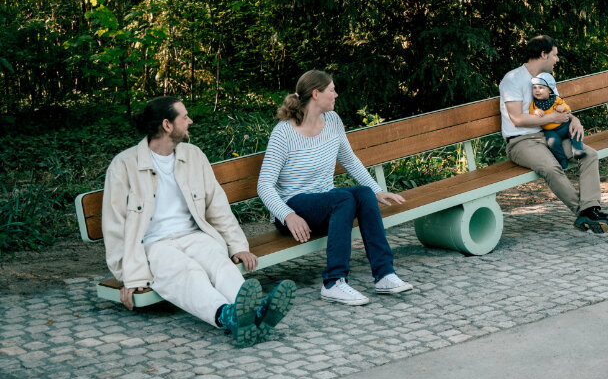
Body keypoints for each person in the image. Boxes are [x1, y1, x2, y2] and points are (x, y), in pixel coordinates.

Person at [101, 96, 295, 348]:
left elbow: (217, 205)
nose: (190, 120)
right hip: (153, 245)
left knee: (220, 263)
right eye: (184, 117)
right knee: (189, 273)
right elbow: (114, 227)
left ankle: (252, 313)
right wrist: (130, 277)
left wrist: (238, 246)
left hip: (195, 235)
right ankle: (230, 315)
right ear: (167, 125)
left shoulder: (194, 155)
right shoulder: (124, 165)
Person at [257, 70, 413, 306]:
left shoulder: (332, 121)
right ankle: (333, 282)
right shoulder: (283, 133)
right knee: (343, 199)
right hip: (293, 208)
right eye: (331, 90)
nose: (336, 94)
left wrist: (377, 190)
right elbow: (264, 185)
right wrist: (288, 215)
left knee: (362, 194)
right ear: (316, 94)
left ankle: (384, 274)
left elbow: (349, 159)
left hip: (325, 201)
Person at [499, 35, 608, 233]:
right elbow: (517, 119)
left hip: (549, 137)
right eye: (554, 55)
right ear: (543, 54)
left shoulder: (547, 80)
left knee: (589, 155)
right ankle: (583, 212)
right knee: (551, 168)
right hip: (521, 142)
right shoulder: (512, 79)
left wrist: (574, 120)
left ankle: (590, 207)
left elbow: (560, 110)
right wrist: (551, 119)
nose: (557, 60)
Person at [529, 72, 587, 169]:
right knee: (552, 142)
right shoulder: (534, 104)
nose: (537, 90)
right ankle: (562, 160)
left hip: (563, 125)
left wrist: (562, 107)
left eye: (541, 87)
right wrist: (536, 111)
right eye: (534, 87)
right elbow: (531, 113)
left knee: (573, 131)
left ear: (550, 91)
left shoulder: (555, 99)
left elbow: (567, 107)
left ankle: (577, 150)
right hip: (550, 131)